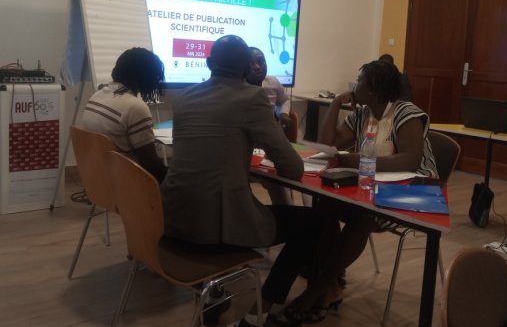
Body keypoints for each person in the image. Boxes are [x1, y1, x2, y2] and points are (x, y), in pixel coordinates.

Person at [160, 35, 333, 326]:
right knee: (315, 222)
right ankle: (259, 311)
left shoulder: (185, 98)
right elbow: (292, 168)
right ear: (247, 69)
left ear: (208, 63)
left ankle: (215, 294)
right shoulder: (252, 98)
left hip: (175, 218)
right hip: (217, 227)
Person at [283, 60, 438, 324]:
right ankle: (331, 286)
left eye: (360, 81)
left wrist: (360, 161)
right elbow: (329, 143)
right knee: (324, 205)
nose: (355, 86)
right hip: (372, 185)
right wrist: (335, 104)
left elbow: (410, 161)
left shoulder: (406, 113)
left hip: (416, 191)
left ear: (373, 88)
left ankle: (319, 287)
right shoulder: (363, 113)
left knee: (363, 216)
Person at [81, 47, 167, 183]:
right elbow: (150, 164)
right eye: (155, 77)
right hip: (126, 181)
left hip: (98, 177)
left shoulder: (96, 96)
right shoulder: (135, 107)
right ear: (144, 76)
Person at [246, 46, 295, 206]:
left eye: (261, 61)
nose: (257, 66)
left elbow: (285, 100)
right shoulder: (238, 89)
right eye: (251, 63)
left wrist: (284, 113)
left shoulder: (272, 82)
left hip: (270, 141)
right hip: (247, 145)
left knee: (277, 178)